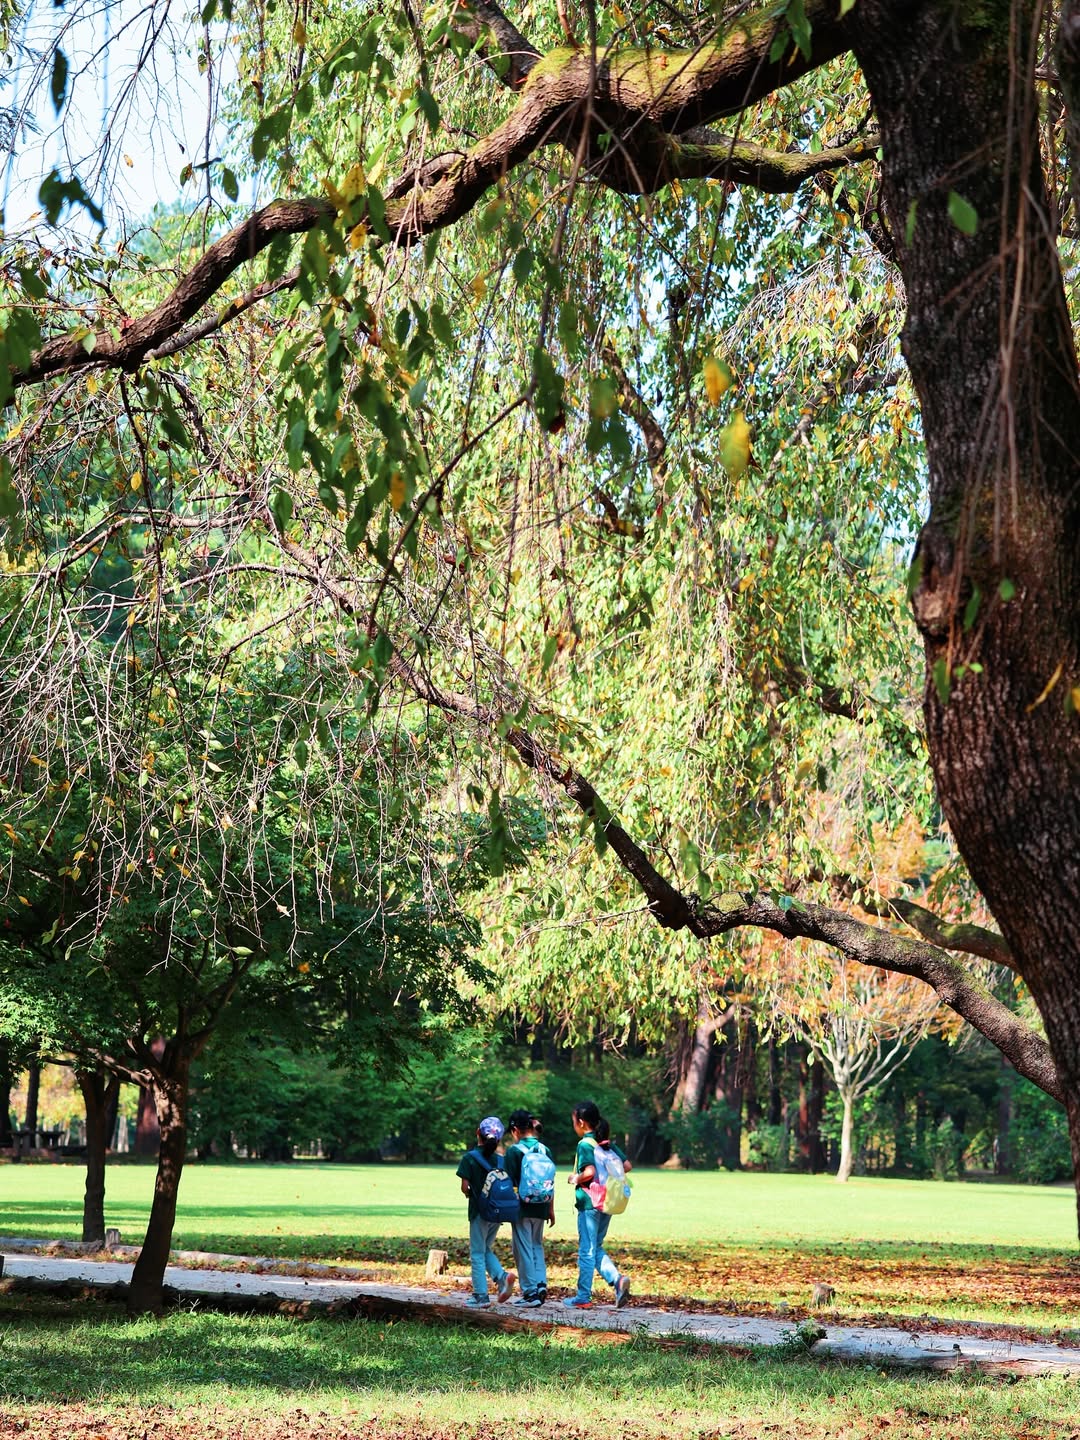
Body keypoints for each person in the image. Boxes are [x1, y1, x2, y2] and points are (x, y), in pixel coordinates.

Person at [563, 1101, 631, 1309]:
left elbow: (589, 1172)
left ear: (581, 1122)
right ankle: (617, 1281)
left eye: (574, 1122)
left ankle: (583, 1297)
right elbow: (627, 1165)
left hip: (589, 1202)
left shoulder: (585, 1144)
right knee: (596, 1247)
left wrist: (575, 1178)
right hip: (608, 1200)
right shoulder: (605, 1143)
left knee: (586, 1250)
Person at [455, 1116, 517, 1308]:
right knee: (484, 1249)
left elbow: (464, 1187)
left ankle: (480, 1296)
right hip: (497, 1212)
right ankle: (501, 1277)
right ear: (498, 1139)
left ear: (478, 1133)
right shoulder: (501, 1160)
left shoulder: (470, 1158)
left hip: (479, 1211)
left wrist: (470, 1193)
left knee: (477, 1253)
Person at [505, 1109, 555, 1307]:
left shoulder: (514, 1151)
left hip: (522, 1207)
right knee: (536, 1245)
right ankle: (541, 1284)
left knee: (523, 1248)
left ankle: (530, 1292)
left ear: (515, 1130)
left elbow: (508, 1183)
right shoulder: (545, 1150)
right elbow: (551, 1181)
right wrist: (551, 1208)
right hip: (542, 1205)